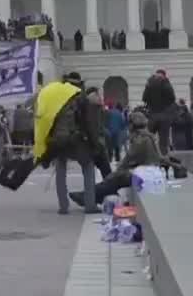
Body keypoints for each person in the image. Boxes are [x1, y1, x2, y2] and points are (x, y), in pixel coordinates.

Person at [35, 75, 100, 215]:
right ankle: (90, 204)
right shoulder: (82, 99)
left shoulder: (55, 99)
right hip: (76, 139)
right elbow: (89, 124)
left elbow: (46, 120)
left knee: (60, 168)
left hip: (58, 139)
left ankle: (63, 206)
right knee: (88, 167)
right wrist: (95, 144)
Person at [69, 111, 161, 210]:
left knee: (115, 180)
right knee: (113, 181)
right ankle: (88, 196)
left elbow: (127, 160)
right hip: (150, 173)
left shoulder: (140, 139)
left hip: (144, 176)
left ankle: (87, 196)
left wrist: (114, 174)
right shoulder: (149, 137)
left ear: (132, 125)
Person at [141, 70, 176, 154]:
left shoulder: (150, 83)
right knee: (163, 141)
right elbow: (172, 98)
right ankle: (163, 161)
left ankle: (148, 157)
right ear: (164, 76)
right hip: (164, 116)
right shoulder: (166, 84)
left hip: (152, 115)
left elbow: (144, 98)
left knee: (148, 139)